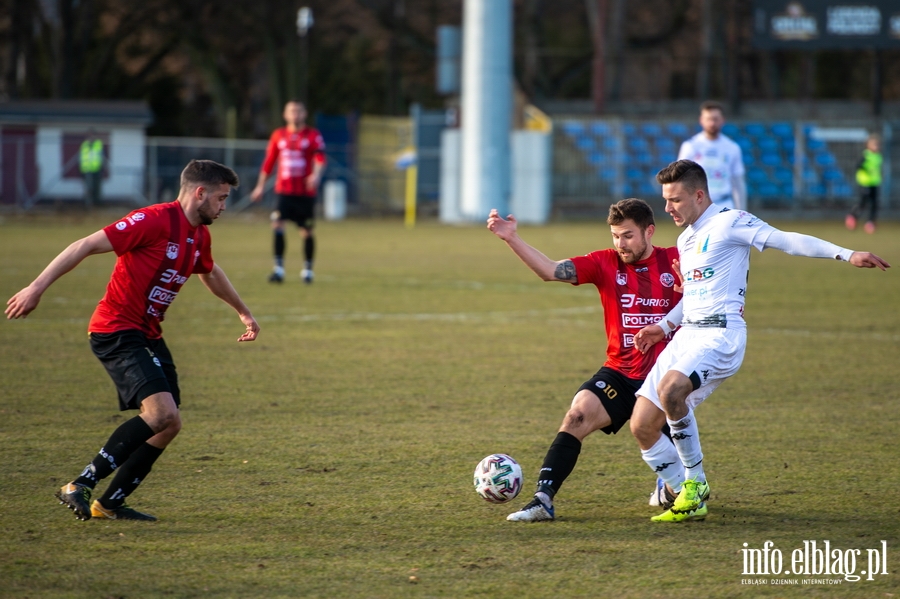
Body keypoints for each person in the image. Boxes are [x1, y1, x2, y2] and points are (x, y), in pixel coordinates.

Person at [629, 159, 889, 523]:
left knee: (674, 391)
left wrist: (846, 253)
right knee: (641, 424)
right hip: (687, 333)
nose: (668, 208)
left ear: (699, 195)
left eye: (675, 200)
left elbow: (787, 240)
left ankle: (695, 484)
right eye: (666, 200)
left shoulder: (731, 221)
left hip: (720, 335)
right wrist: (664, 325)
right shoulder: (686, 238)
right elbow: (696, 292)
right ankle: (677, 492)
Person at [5, 159, 260, 522]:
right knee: (161, 414)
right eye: (220, 198)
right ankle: (79, 484)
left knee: (170, 424)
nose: (223, 206)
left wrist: (242, 310)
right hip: (116, 329)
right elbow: (85, 244)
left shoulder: (199, 234)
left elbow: (209, 269)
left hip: (149, 334)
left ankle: (108, 504)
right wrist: (36, 287)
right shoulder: (153, 219)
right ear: (199, 193)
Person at [487, 199, 683, 522]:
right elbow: (551, 270)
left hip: (665, 379)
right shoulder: (606, 263)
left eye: (628, 236)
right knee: (576, 416)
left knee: (677, 489)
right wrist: (511, 238)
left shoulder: (677, 260)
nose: (621, 244)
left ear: (650, 231)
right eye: (616, 236)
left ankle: (672, 485)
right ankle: (542, 500)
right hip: (619, 374)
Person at [251, 100, 327, 284]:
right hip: (284, 191)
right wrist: (260, 186)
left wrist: (316, 175)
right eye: (291, 111)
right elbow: (269, 162)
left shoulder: (313, 135)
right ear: (285, 114)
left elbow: (320, 157)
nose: (295, 114)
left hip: (305, 193)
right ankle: (278, 270)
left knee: (306, 231)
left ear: (304, 114)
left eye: (298, 111)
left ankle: (308, 270)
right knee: (277, 224)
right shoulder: (278, 135)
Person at [677, 100, 746, 211]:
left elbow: (738, 182)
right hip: (699, 205)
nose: (712, 123)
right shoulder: (690, 146)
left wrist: (741, 209)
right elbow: (681, 178)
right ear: (701, 120)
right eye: (708, 119)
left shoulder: (732, 148)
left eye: (715, 119)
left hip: (725, 204)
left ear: (723, 120)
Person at [846, 134, 882, 234]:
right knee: (862, 203)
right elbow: (858, 166)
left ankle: (870, 222)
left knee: (874, 204)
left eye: (878, 145)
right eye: (874, 144)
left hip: (874, 183)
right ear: (868, 145)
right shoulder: (865, 155)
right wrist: (866, 170)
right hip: (865, 183)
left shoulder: (878, 156)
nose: (877, 147)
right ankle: (852, 216)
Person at [80, 129, 105, 208]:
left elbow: (102, 156)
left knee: (97, 188)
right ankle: (88, 204)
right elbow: (81, 157)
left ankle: (97, 203)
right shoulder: (84, 144)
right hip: (87, 170)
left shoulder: (98, 144)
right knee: (88, 187)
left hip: (97, 169)